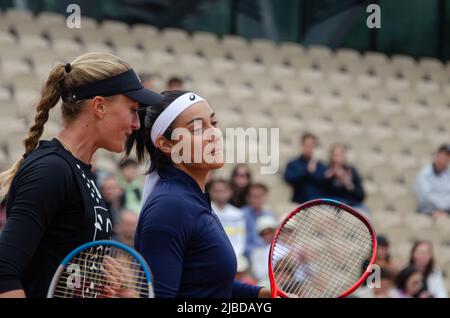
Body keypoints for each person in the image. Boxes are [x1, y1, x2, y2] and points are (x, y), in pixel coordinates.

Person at [0, 52, 164, 298]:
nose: (136, 124)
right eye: (132, 110)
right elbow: (4, 271)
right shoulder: (51, 171)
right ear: (99, 106)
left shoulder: (80, 172)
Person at [127, 90, 271, 298]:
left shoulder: (188, 198)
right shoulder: (171, 206)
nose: (213, 134)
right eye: (197, 128)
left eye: (213, 123)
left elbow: (209, 283)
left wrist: (264, 295)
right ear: (166, 144)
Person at [208, 179, 247, 258]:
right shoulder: (206, 211)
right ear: (210, 193)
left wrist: (234, 256)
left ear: (230, 193)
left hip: (234, 256)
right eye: (216, 191)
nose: (220, 194)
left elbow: (241, 239)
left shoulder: (238, 214)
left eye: (223, 191)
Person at [284, 132, 326, 203]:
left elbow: (324, 182)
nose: (309, 149)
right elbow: (289, 179)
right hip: (298, 203)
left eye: (311, 146)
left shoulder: (320, 165)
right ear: (301, 146)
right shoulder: (293, 164)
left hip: (316, 204)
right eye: (307, 146)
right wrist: (306, 171)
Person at [324, 143, 366, 211]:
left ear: (344, 156)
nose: (338, 158)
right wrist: (327, 179)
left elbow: (361, 195)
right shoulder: (326, 171)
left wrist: (347, 183)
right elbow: (322, 194)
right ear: (331, 157)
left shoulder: (351, 171)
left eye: (340, 154)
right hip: (333, 205)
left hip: (352, 205)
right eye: (335, 155)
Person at [413, 144, 450, 217]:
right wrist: (440, 208)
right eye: (443, 154)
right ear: (437, 155)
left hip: (446, 211)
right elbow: (426, 197)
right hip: (426, 212)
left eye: (448, 156)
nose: (445, 158)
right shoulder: (424, 174)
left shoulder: (448, 175)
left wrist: (443, 210)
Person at [241, 183, 275, 257]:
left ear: (265, 197)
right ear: (248, 198)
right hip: (247, 254)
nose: (257, 199)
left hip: (266, 253)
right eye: (254, 196)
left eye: (260, 196)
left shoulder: (269, 215)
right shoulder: (240, 215)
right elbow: (240, 242)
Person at [250, 215, 278, 287]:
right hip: (265, 286)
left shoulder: (285, 248)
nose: (267, 235)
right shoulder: (256, 253)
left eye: (269, 232)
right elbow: (259, 274)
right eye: (264, 233)